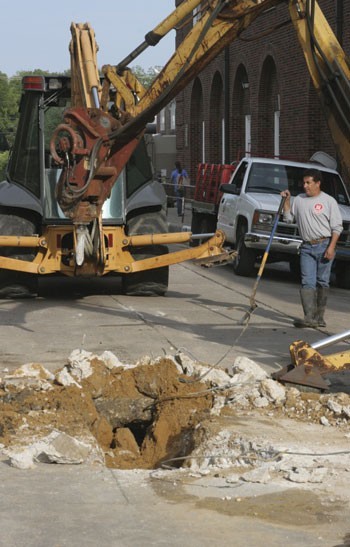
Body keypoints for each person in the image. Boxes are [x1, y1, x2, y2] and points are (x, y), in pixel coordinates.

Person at [281, 168, 343, 328]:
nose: (305, 186)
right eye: (304, 183)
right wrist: (287, 202)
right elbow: (288, 219)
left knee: (322, 281)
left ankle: (319, 317)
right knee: (307, 281)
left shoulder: (329, 201)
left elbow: (337, 227)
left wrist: (331, 247)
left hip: (324, 245)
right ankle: (309, 316)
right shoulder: (299, 200)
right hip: (307, 247)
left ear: (318, 183)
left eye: (309, 183)